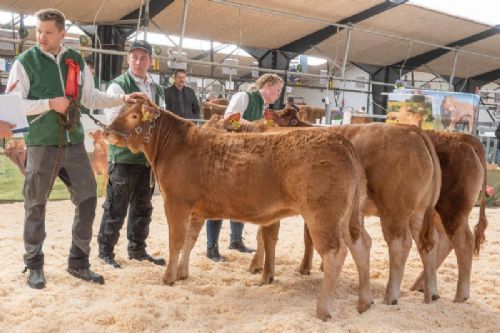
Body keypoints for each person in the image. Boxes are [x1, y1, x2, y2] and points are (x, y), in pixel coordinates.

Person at [7, 8, 146, 289]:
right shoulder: (25, 62)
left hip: (72, 141)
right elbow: (12, 106)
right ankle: (34, 263)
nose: (41, 38)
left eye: (48, 32)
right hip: (41, 142)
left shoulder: (75, 61)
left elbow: (91, 97)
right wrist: (49, 103)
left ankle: (78, 261)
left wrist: (122, 98)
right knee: (35, 204)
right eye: (38, 32)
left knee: (87, 199)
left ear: (62, 34)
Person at [97, 40, 166, 269]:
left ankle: (137, 249)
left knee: (143, 207)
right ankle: (105, 252)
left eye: (143, 58)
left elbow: (161, 119)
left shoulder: (157, 88)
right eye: (134, 57)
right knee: (116, 207)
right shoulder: (118, 86)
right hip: (124, 157)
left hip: (147, 160)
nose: (139, 62)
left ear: (150, 61)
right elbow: (114, 122)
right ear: (128, 59)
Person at [205, 73, 284, 262]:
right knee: (217, 201)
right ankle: (211, 247)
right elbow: (229, 120)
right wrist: (256, 126)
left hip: (245, 158)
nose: (279, 94)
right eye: (278, 89)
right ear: (266, 84)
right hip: (228, 155)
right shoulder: (245, 96)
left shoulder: (263, 106)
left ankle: (235, 240)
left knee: (239, 199)